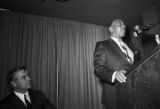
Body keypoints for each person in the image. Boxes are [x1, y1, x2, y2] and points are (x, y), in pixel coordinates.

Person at [94, 19, 135, 109]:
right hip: (115, 95)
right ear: (111, 29)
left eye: (124, 25)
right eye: (120, 24)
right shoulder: (103, 45)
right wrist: (115, 74)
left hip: (134, 94)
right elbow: (98, 69)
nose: (124, 26)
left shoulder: (130, 46)